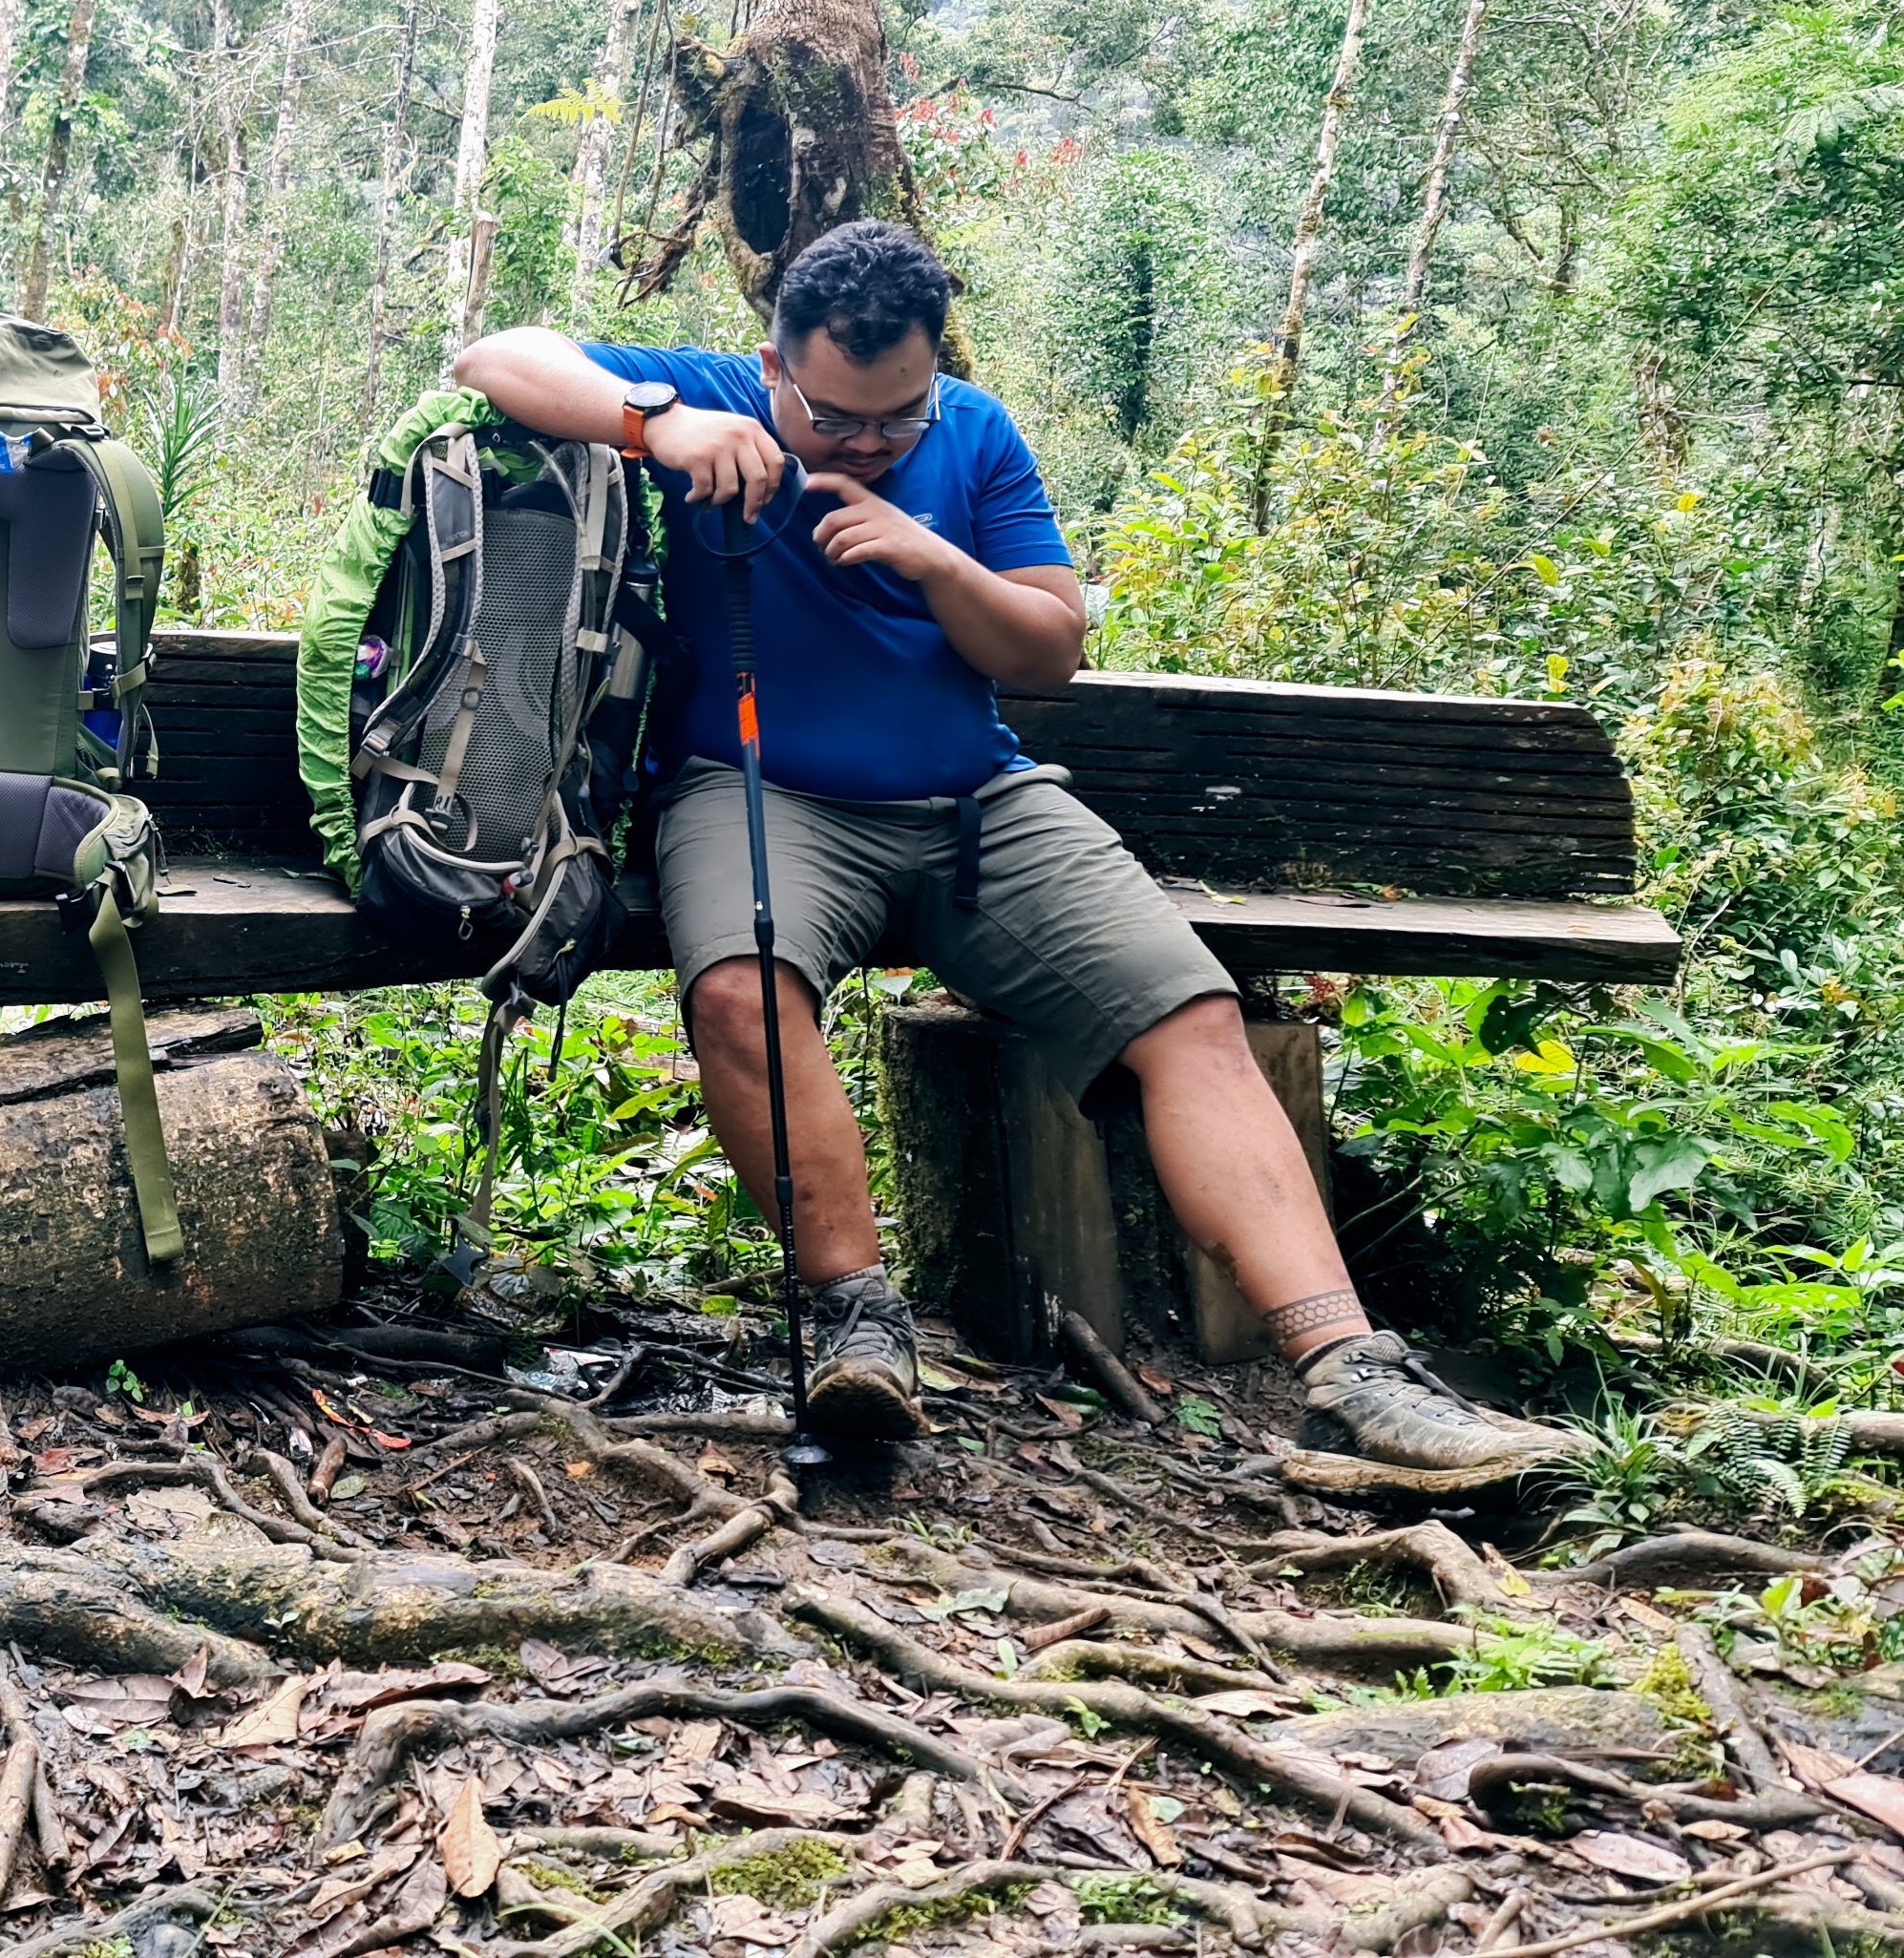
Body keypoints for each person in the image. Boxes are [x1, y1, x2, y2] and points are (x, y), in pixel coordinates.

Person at [454, 220, 1576, 1480]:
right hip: (760, 791)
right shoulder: (713, 397)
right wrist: (652, 423)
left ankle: (1350, 1372)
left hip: (979, 804)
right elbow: (493, 357)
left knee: (1190, 1013)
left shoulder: (977, 435)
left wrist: (934, 557)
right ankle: (856, 1324)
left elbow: (1048, 649)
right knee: (737, 992)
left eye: (898, 417)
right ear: (773, 364)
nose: (869, 441)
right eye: (835, 417)